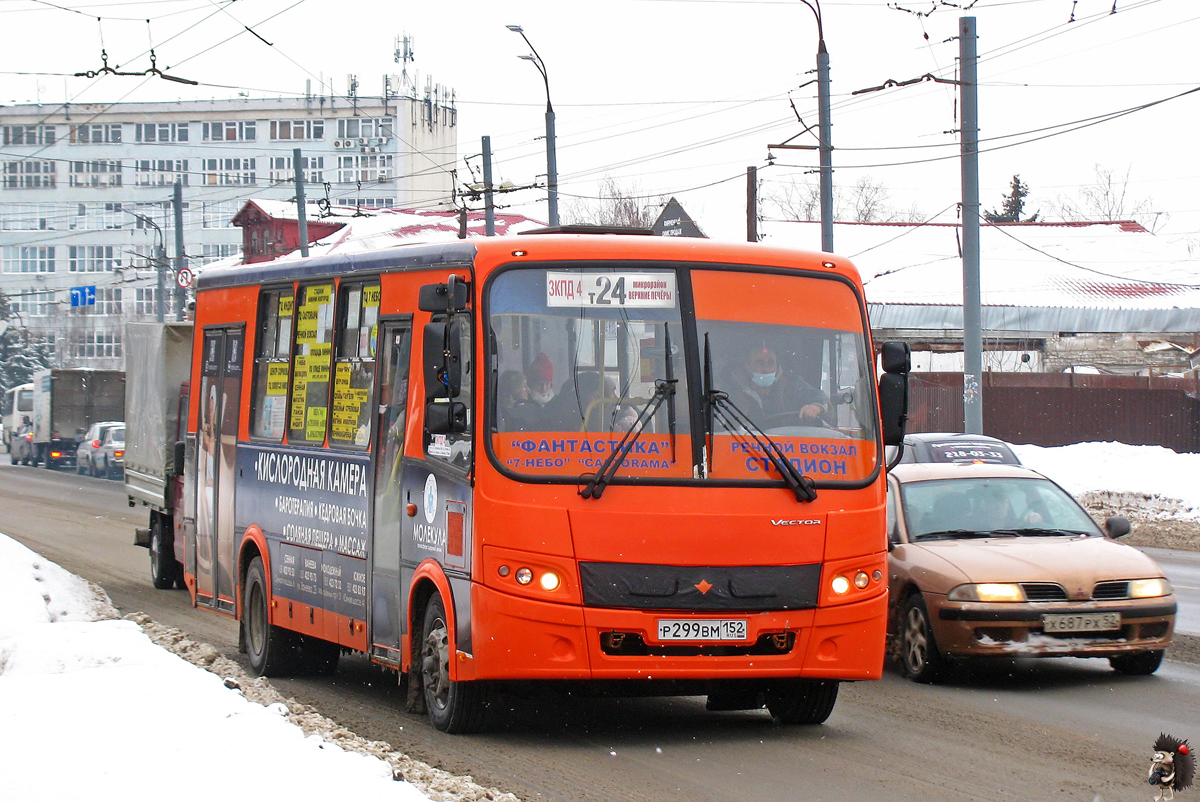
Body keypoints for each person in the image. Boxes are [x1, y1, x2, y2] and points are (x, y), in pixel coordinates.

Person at [726, 343, 829, 426]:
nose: (766, 369)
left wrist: (816, 407)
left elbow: (821, 399)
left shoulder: (793, 385)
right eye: (760, 363)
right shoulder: (730, 389)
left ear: (777, 366)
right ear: (747, 366)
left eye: (770, 363)